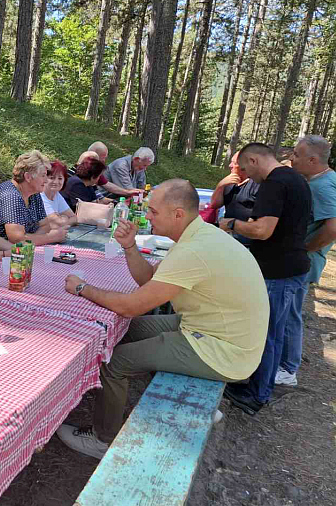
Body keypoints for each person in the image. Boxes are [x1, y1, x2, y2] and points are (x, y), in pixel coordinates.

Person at [55, 180, 268, 459]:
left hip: (223, 350)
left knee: (116, 362)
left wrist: (83, 289)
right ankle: (188, 400)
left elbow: (131, 305)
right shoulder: (199, 237)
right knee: (126, 330)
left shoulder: (193, 250)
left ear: (178, 214)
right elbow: (148, 280)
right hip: (214, 330)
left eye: (153, 212)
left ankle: (102, 439)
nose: (146, 217)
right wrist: (130, 247)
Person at [218, 142, 312, 414]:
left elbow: (262, 230)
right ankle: (259, 386)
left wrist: (232, 224)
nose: (247, 176)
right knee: (274, 331)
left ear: (255, 160)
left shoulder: (274, 182)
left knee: (266, 332)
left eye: (246, 168)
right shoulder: (294, 179)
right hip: (289, 267)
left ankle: (257, 394)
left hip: (278, 271)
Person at [275, 135, 336, 387]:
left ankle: (288, 369)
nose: (292, 158)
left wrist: (305, 248)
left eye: (297, 155)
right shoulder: (319, 179)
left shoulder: (322, 187)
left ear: (313, 160)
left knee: (290, 313)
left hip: (303, 261)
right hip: (300, 258)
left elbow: (333, 227)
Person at [0, 150, 66, 246]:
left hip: (20, 252)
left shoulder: (34, 193)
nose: (46, 180)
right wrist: (51, 237)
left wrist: (30, 242)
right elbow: (17, 239)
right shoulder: (10, 196)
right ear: (28, 177)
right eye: (43, 176)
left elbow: (45, 226)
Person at [75, 142, 141, 198]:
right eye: (102, 159)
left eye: (105, 158)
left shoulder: (93, 172)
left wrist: (128, 192)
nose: (104, 161)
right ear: (92, 159)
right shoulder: (78, 179)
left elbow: (107, 185)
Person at [40, 160, 76, 228]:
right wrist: (64, 218)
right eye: (51, 178)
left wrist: (63, 221)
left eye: (60, 178)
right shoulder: (40, 196)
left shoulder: (57, 195)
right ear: (44, 178)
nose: (56, 182)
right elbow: (57, 222)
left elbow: (74, 218)